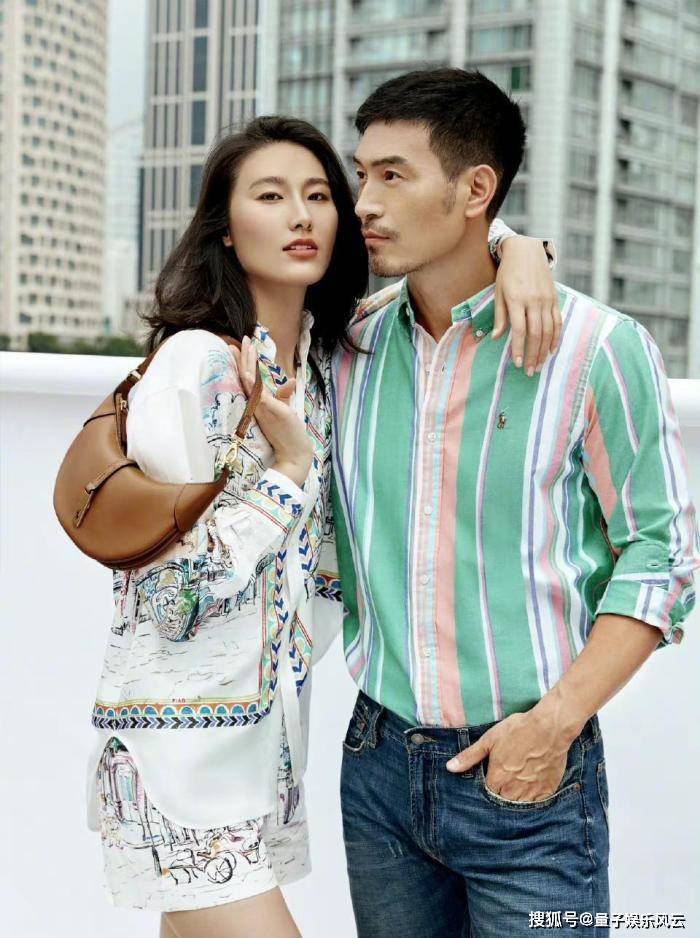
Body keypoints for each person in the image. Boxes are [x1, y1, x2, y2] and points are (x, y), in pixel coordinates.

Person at [86, 114, 558, 938]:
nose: (300, 216)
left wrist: (520, 247)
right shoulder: (196, 367)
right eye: (270, 197)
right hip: (178, 759)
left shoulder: (326, 361)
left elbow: (452, 248)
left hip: (265, 755)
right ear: (226, 228)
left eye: (318, 195)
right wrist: (290, 469)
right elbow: (168, 599)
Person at [330, 68, 700, 938]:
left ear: (476, 191)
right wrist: (516, 246)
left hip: (530, 780)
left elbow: (661, 554)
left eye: (393, 175)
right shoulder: (349, 349)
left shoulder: (596, 348)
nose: (365, 202)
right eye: (362, 174)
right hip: (377, 771)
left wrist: (554, 725)